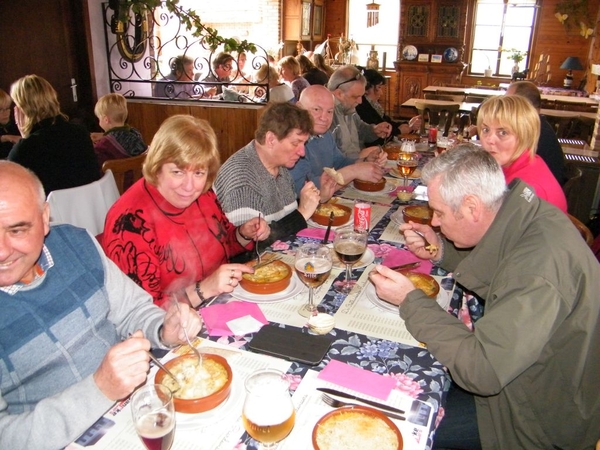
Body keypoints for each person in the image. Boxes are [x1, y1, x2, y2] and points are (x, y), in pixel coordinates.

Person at [369, 143, 600, 450]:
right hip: (523, 376)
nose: (434, 222)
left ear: (472, 208)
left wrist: (411, 300)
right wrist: (441, 251)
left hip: (533, 418)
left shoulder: (537, 269)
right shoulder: (522, 213)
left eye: (439, 212)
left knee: (393, 422)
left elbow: (482, 372)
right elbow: (504, 273)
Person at [0, 160, 202, 449]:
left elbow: (134, 310)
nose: (2, 250)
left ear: (45, 217)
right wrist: (100, 388)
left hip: (138, 409)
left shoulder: (76, 243)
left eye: (17, 230)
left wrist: (163, 328)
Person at [102, 115, 270, 308]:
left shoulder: (204, 195)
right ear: (157, 167)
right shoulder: (129, 221)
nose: (190, 187)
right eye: (178, 172)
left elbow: (223, 244)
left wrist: (243, 234)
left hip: (221, 305)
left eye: (199, 173)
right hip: (172, 329)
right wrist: (203, 289)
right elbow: (139, 311)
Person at [214, 102, 320, 247]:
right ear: (271, 139)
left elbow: (284, 224)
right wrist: (301, 213)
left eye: (304, 144)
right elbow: (248, 250)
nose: (302, 152)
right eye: (296, 143)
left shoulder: (279, 166)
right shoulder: (242, 179)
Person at [291, 85, 387, 201]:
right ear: (299, 108)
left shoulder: (325, 134)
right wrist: (355, 171)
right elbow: (303, 189)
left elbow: (340, 162)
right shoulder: (292, 142)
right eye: (317, 109)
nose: (324, 118)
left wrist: (365, 161)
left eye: (330, 111)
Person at [8, 74, 100, 194]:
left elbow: (10, 186)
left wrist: (25, 137)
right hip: (88, 207)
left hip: (52, 211)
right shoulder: (80, 132)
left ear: (22, 109)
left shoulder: (26, 148)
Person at [477, 95, 567, 213]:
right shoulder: (525, 162)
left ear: (525, 136)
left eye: (503, 132)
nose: (490, 140)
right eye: (486, 130)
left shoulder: (528, 189)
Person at [504, 80, 567, 185]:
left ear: (523, 103)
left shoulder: (534, 132)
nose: (505, 108)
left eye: (509, 102)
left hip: (537, 193)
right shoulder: (539, 125)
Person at [327, 65, 392, 160]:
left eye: (362, 96)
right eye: (355, 96)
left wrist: (374, 130)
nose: (360, 101)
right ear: (339, 94)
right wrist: (360, 156)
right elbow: (329, 162)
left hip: (357, 166)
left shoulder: (348, 107)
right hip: (343, 172)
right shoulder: (326, 116)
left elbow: (360, 128)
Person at [355, 69, 421, 146]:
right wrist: (399, 131)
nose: (381, 93)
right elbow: (377, 136)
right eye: (379, 88)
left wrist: (408, 124)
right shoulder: (361, 107)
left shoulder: (372, 105)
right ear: (366, 89)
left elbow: (387, 122)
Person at [91, 93, 147, 169]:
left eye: (99, 119)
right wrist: (104, 136)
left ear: (106, 119)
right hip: (138, 177)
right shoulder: (135, 133)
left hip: (118, 179)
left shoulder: (104, 144)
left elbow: (96, 163)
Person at [0, 88, 20, 158]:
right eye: (0, 110)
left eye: (7, 108)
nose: (6, 113)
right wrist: (5, 138)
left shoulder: (16, 125)